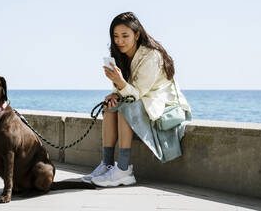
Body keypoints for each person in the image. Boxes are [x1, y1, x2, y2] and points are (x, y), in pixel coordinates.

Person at [82, 12, 191, 187]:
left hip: (163, 105)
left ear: (137, 34)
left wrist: (119, 83)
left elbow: (136, 93)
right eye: (116, 36)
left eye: (125, 36)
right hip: (141, 99)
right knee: (110, 107)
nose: (120, 41)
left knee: (126, 105)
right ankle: (107, 164)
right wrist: (114, 94)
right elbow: (125, 91)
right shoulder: (121, 55)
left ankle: (124, 170)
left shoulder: (152, 56)